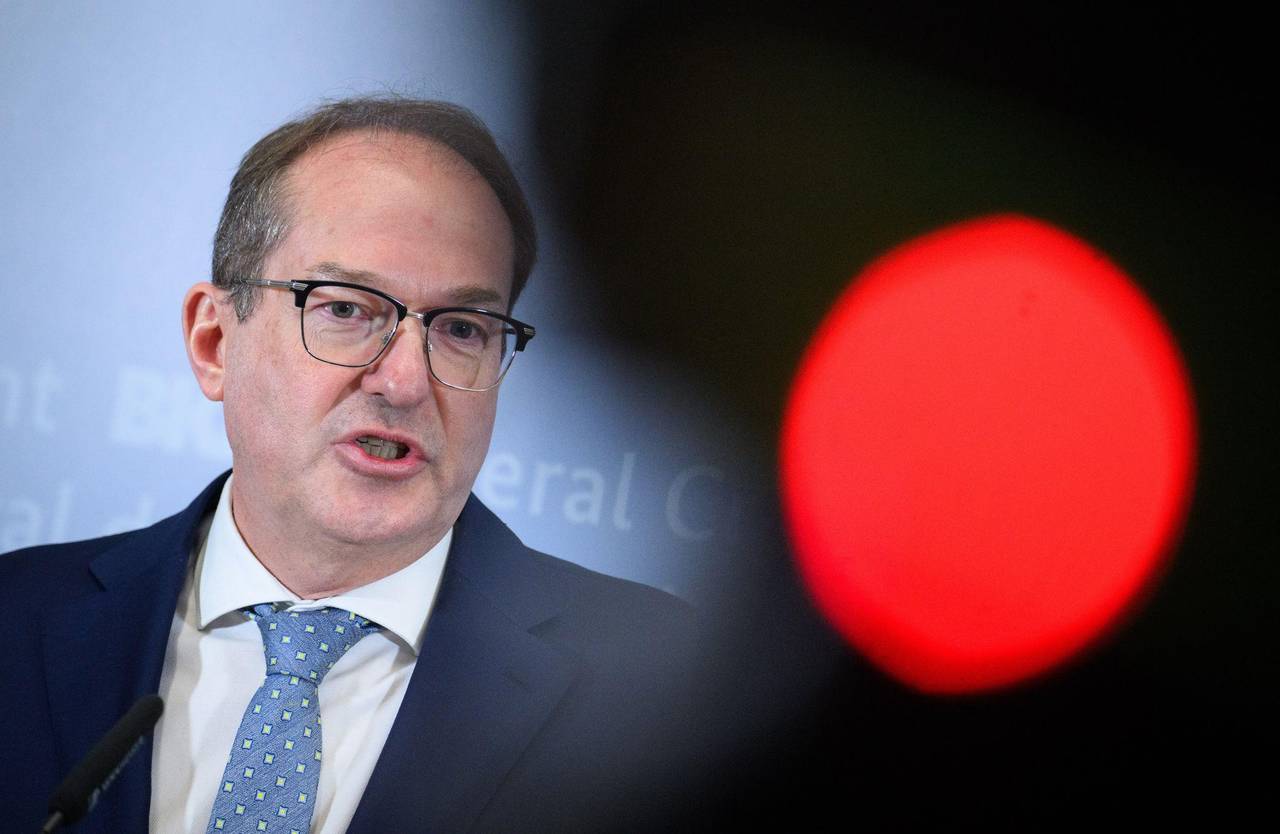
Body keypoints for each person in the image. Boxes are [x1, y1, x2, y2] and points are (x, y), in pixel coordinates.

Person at [0, 97, 699, 834]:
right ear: (214, 343)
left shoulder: (658, 694)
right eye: (345, 310)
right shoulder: (15, 620)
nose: (405, 381)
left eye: (462, 329)